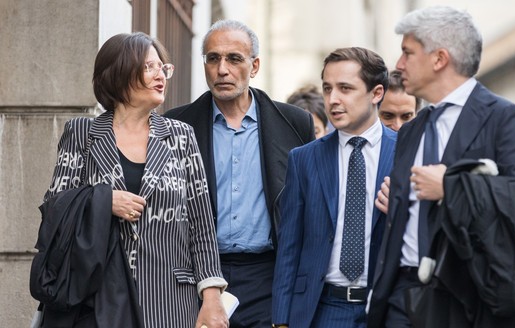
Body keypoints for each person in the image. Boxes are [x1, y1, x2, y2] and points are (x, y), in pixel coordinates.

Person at [368, 6, 515, 327]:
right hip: (401, 297)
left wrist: (451, 186)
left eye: (407, 53)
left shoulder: (505, 119)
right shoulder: (412, 129)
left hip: (469, 299)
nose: (398, 64)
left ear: (439, 59)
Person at [40, 32, 228, 327]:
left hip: (170, 301)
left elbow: (201, 223)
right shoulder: (82, 134)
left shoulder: (181, 136)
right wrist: (102, 200)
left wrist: (212, 297)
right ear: (119, 72)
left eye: (163, 68)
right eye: (149, 67)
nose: (161, 75)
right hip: (99, 303)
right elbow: (53, 210)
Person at [164, 20, 315, 327]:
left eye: (234, 59)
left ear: (254, 65)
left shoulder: (294, 123)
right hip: (197, 274)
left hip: (267, 277)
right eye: (213, 58)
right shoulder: (176, 125)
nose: (222, 69)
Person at [271, 47, 397, 328]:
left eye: (345, 88)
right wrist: (281, 321)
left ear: (376, 93)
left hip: (388, 308)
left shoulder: (407, 153)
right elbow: (290, 246)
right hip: (323, 309)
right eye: (327, 89)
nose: (333, 100)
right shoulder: (304, 159)